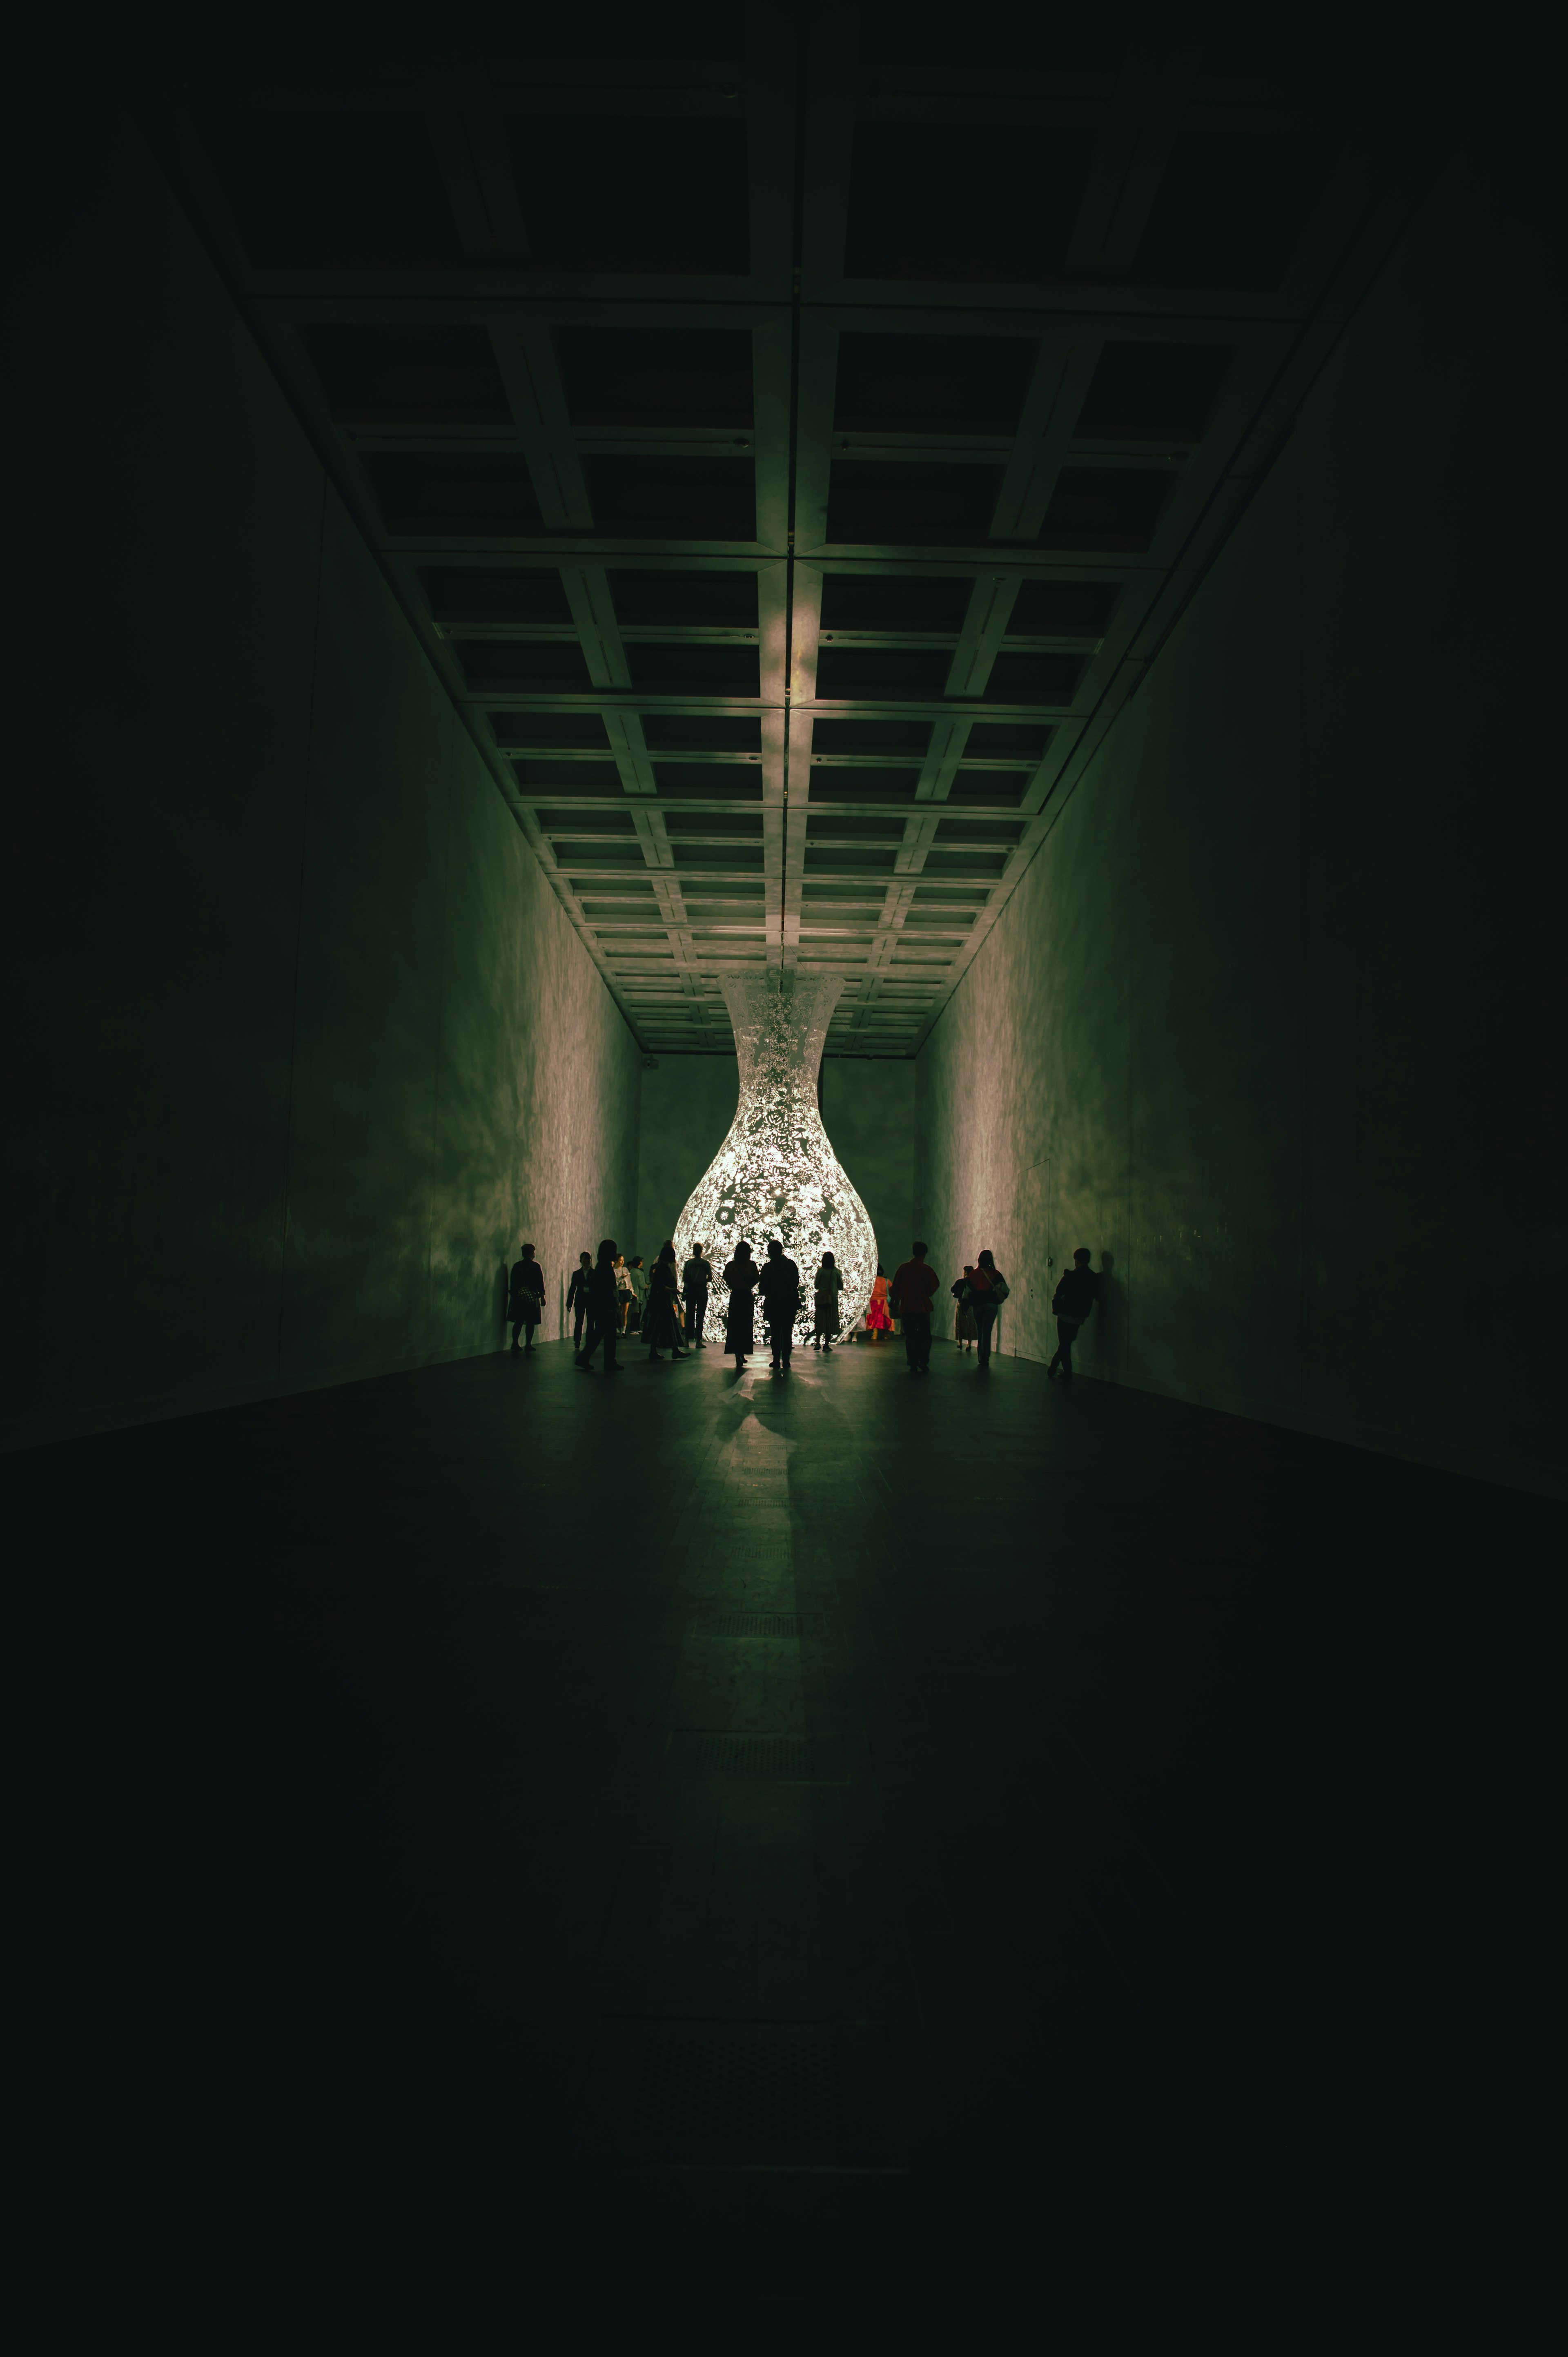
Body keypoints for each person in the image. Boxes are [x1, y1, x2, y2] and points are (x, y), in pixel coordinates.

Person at [1048, 1249, 1099, 1383]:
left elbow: (1059, 1292)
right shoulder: (1093, 1277)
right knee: (1068, 1341)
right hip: (1080, 1316)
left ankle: (1066, 1369)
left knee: (1064, 1342)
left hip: (1066, 1313)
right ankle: (1062, 1363)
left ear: (1077, 1260)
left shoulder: (1071, 1275)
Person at [890, 1242, 939, 1375]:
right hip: (923, 1308)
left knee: (911, 1337)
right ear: (924, 1254)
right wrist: (926, 1293)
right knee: (925, 1336)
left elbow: (895, 1289)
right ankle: (923, 1361)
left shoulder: (904, 1268)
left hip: (908, 1308)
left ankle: (912, 1362)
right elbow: (934, 1285)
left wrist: (898, 1299)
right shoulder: (927, 1270)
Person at [575, 1239, 623, 1373]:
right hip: (606, 1307)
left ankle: (588, 1358)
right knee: (607, 1335)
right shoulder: (605, 1268)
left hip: (602, 1307)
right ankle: (607, 1362)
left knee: (601, 1334)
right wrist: (610, 1306)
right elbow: (605, 1289)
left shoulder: (602, 1266)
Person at [757, 1237, 802, 1374]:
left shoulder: (768, 1267)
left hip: (774, 1304)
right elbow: (796, 1282)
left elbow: (763, 1288)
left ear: (770, 1253)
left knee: (776, 1333)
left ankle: (776, 1359)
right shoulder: (790, 1265)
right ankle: (787, 1360)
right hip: (789, 1303)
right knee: (788, 1332)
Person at [644, 1242, 690, 1363]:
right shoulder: (663, 1269)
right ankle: (673, 1351)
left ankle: (665, 1351)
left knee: (660, 1327)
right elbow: (661, 1285)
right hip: (662, 1302)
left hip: (659, 1302)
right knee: (668, 1326)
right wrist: (672, 1290)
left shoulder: (660, 1267)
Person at [969, 1249, 1009, 1372]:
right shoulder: (996, 1274)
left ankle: (981, 1356)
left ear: (979, 1260)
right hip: (991, 1306)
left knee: (980, 1330)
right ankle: (985, 1358)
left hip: (978, 1306)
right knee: (987, 1331)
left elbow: (968, 1292)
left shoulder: (973, 1275)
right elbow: (1005, 1291)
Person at [722, 1239, 760, 1367]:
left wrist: (734, 1285)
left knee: (735, 1326)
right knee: (745, 1326)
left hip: (736, 1296)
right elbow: (756, 1279)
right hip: (747, 1297)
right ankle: (743, 1353)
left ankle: (738, 1355)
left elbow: (726, 1279)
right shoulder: (752, 1265)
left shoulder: (731, 1265)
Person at [508, 1242, 545, 1354]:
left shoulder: (517, 1266)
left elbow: (513, 1284)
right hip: (532, 1298)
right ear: (531, 1254)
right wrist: (542, 1296)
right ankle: (528, 1344)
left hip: (519, 1298)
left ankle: (515, 1343)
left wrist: (516, 1295)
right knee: (531, 1322)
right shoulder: (535, 1266)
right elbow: (540, 1283)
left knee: (519, 1321)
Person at [682, 1240, 713, 1347]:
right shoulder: (705, 1263)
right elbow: (710, 1278)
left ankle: (687, 1340)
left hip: (691, 1290)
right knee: (700, 1315)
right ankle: (698, 1340)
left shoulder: (689, 1263)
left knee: (690, 1315)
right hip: (701, 1289)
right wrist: (703, 1279)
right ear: (702, 1251)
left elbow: (685, 1278)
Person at [811, 1251, 842, 1351]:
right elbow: (841, 1286)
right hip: (832, 1298)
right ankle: (826, 1345)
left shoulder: (821, 1271)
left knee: (820, 1320)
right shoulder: (837, 1272)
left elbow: (816, 1285)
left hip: (821, 1298)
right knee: (831, 1321)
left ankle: (818, 1343)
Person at [566, 1251, 592, 1350]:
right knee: (579, 1322)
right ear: (581, 1261)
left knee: (591, 1322)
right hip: (580, 1300)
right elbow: (572, 1289)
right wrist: (570, 1303)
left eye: (589, 1259)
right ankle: (577, 1341)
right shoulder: (577, 1274)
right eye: (585, 1259)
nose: (587, 1261)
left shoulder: (594, 1273)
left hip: (591, 1301)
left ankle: (589, 1341)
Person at [952, 1264, 978, 1355]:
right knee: (971, 1323)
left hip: (961, 1303)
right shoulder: (974, 1283)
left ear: (966, 1273)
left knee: (960, 1323)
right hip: (971, 1305)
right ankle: (969, 1344)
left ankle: (960, 1342)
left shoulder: (960, 1282)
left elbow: (953, 1290)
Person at [865, 1266, 893, 1344]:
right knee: (884, 1319)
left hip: (873, 1302)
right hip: (884, 1302)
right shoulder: (887, 1281)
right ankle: (886, 1334)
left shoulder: (871, 1281)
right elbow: (892, 1290)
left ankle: (875, 1334)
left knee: (874, 1318)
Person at [626, 1253, 649, 1336]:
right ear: (640, 1263)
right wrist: (647, 1286)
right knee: (637, 1313)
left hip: (632, 1294)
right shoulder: (640, 1273)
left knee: (634, 1313)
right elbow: (642, 1285)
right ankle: (634, 1329)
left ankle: (637, 1328)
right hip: (638, 1296)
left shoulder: (631, 1271)